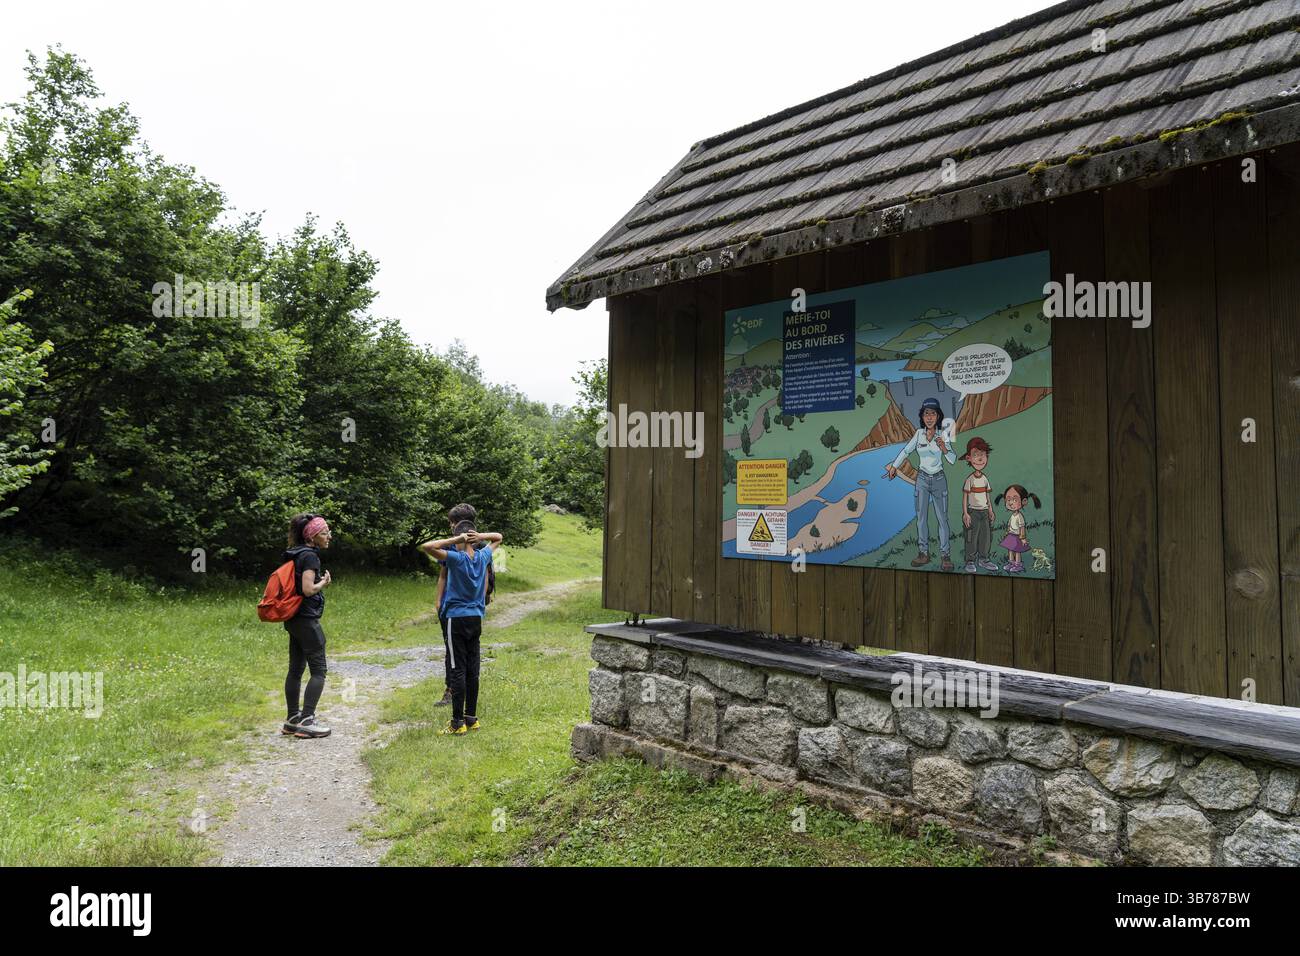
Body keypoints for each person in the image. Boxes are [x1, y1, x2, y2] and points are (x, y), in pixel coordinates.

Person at [420, 521, 503, 735]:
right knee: (472, 669)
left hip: (456, 619)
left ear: (461, 540)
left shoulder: (456, 560)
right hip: (476, 618)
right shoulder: (483, 556)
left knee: (457, 668)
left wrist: (457, 539)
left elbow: (428, 547)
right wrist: (480, 536)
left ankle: (457, 723)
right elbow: (499, 537)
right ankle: (471, 717)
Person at [884, 396, 956, 571]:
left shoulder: (943, 435)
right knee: (921, 519)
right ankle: (923, 553)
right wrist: (894, 467)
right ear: (922, 417)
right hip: (922, 479)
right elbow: (906, 451)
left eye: (932, 413)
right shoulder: (918, 434)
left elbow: (952, 460)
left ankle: (945, 555)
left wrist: (944, 448)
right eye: (926, 414)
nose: (929, 417)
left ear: (938, 416)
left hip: (939, 479)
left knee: (942, 519)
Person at [282, 513, 334, 738]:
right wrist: (323, 582)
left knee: (295, 669)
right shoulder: (310, 557)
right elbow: (307, 589)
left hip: (292, 618)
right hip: (306, 619)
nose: (329, 535)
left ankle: (293, 719)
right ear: (312, 537)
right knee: (319, 671)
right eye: (324, 532)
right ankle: (307, 720)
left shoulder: (292, 554)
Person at [434, 503, 479, 707]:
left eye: (453, 522)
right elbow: (443, 575)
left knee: (462, 653)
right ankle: (452, 687)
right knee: (451, 650)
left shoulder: (478, 547)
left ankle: (455, 690)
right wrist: (438, 601)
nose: (451, 526)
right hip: (450, 606)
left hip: (464, 609)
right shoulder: (451, 548)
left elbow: (486, 575)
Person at [959, 437, 1000, 573]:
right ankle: (970, 561)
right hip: (972, 512)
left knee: (985, 536)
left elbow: (987, 496)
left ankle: (984, 559)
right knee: (971, 536)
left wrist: (991, 510)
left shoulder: (984, 479)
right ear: (969, 458)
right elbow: (965, 497)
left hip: (984, 511)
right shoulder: (969, 480)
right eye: (976, 455)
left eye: (983, 455)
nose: (980, 458)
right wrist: (965, 513)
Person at [995, 484, 1042, 574]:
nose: (1011, 502)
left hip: (1017, 536)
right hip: (1011, 535)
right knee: (1010, 549)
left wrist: (1023, 538)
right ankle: (1011, 563)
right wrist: (1007, 532)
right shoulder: (1012, 515)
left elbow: (1022, 527)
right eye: (1008, 500)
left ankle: (1018, 565)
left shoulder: (1020, 516)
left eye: (1015, 499)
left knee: (1017, 551)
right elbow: (1009, 525)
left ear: (1024, 501)